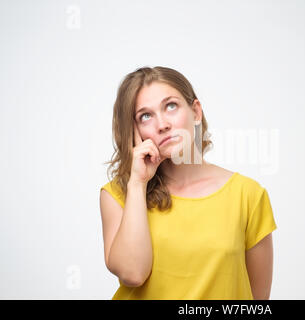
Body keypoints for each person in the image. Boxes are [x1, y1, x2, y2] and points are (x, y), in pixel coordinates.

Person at [99, 66, 278, 299]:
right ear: (135, 131)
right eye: (146, 116)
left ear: (195, 112)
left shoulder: (247, 195)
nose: (162, 124)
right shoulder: (119, 194)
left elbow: (256, 301)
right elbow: (133, 273)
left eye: (170, 106)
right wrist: (137, 183)